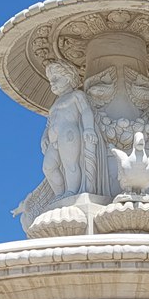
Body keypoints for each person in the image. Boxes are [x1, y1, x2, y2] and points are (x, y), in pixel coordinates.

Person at [40, 60, 99, 197]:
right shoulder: (55, 102)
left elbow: (85, 111)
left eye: (55, 79)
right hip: (53, 140)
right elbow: (49, 123)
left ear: (68, 78)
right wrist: (44, 136)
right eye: (50, 81)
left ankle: (71, 192)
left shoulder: (76, 95)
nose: (52, 83)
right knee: (48, 168)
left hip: (68, 133)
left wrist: (89, 129)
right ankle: (60, 195)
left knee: (70, 164)